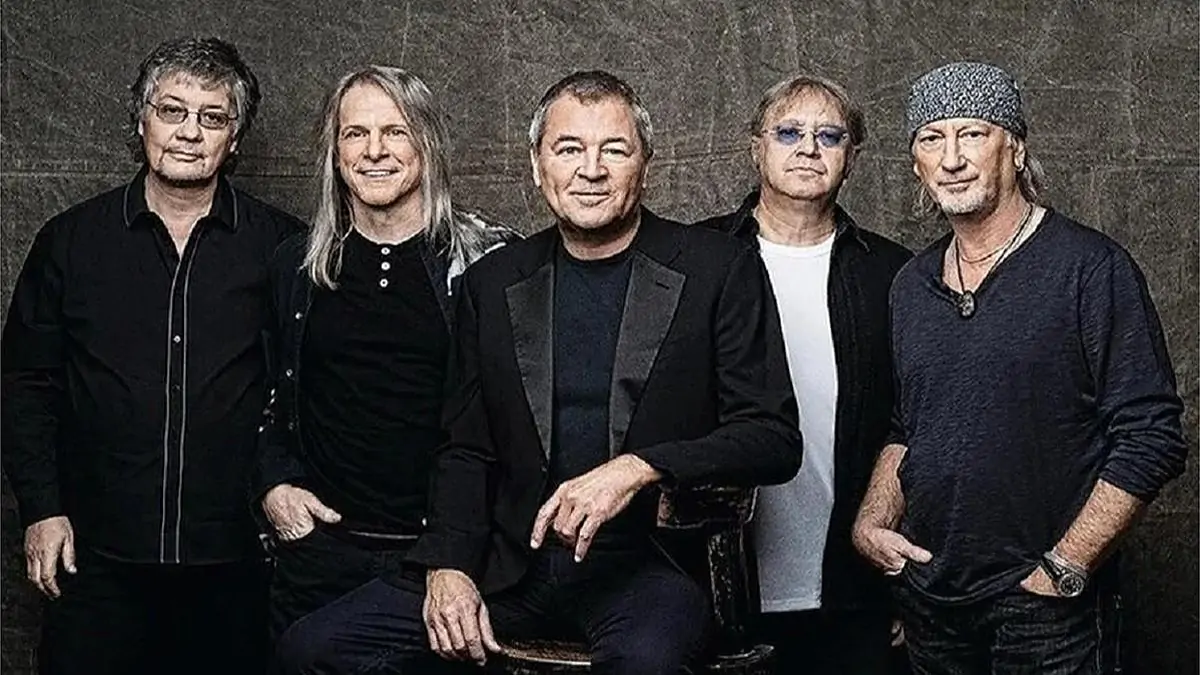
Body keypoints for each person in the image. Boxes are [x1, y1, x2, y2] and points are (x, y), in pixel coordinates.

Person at [275, 69, 803, 675]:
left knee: (645, 664)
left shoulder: (719, 270)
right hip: (509, 566)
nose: (591, 170)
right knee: (312, 649)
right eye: (569, 149)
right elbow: (465, 445)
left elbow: (772, 438)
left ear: (645, 163)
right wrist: (449, 564)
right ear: (537, 165)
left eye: (614, 150)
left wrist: (639, 468)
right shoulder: (494, 281)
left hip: (646, 570)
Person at [852, 61, 1187, 674]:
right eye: (932, 139)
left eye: (972, 134)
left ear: (1016, 148)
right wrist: (873, 519)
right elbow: (909, 426)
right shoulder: (911, 286)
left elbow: (1152, 435)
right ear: (916, 166)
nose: (952, 158)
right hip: (933, 601)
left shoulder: (1090, 269)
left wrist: (1066, 565)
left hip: (1047, 610)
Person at [1, 37, 303, 675]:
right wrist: (42, 507)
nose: (190, 132)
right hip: (94, 555)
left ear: (234, 138)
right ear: (141, 122)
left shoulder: (284, 249)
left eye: (212, 117)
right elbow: (26, 385)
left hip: (236, 562)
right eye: (172, 111)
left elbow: (308, 388)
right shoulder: (70, 242)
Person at [252, 65, 516, 642]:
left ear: (427, 143)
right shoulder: (296, 266)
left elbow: (519, 420)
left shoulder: (489, 261)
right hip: (320, 553)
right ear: (335, 152)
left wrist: (457, 549)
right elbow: (264, 395)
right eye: (356, 133)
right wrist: (274, 484)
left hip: (445, 564)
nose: (374, 151)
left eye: (395, 131)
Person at [697, 73, 911, 674]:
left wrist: (906, 589)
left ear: (852, 156)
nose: (808, 149)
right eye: (788, 132)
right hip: (711, 581)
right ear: (756, 148)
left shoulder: (894, 275)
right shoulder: (695, 258)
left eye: (829, 135)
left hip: (851, 585)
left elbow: (918, 425)